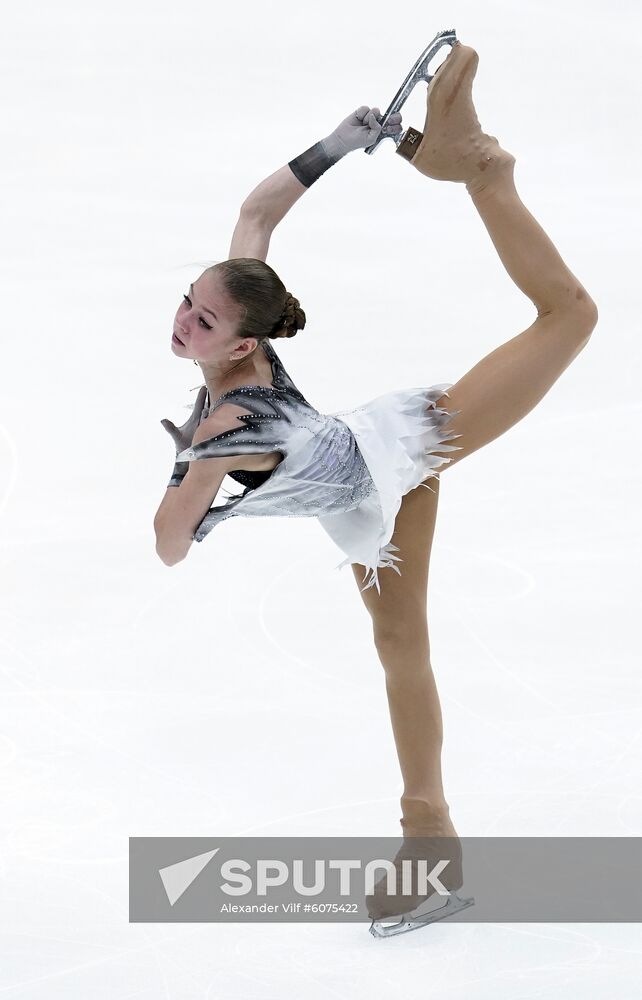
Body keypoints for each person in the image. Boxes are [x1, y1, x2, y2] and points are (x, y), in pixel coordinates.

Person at [155, 41, 598, 933]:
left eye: (203, 318)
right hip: (360, 508)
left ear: (245, 342)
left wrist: (195, 464)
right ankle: (429, 844)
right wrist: (334, 144)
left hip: (401, 447)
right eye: (186, 306)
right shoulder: (231, 365)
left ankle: (483, 170)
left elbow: (170, 544)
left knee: (570, 315)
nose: (183, 324)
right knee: (401, 651)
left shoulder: (232, 415)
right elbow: (255, 216)